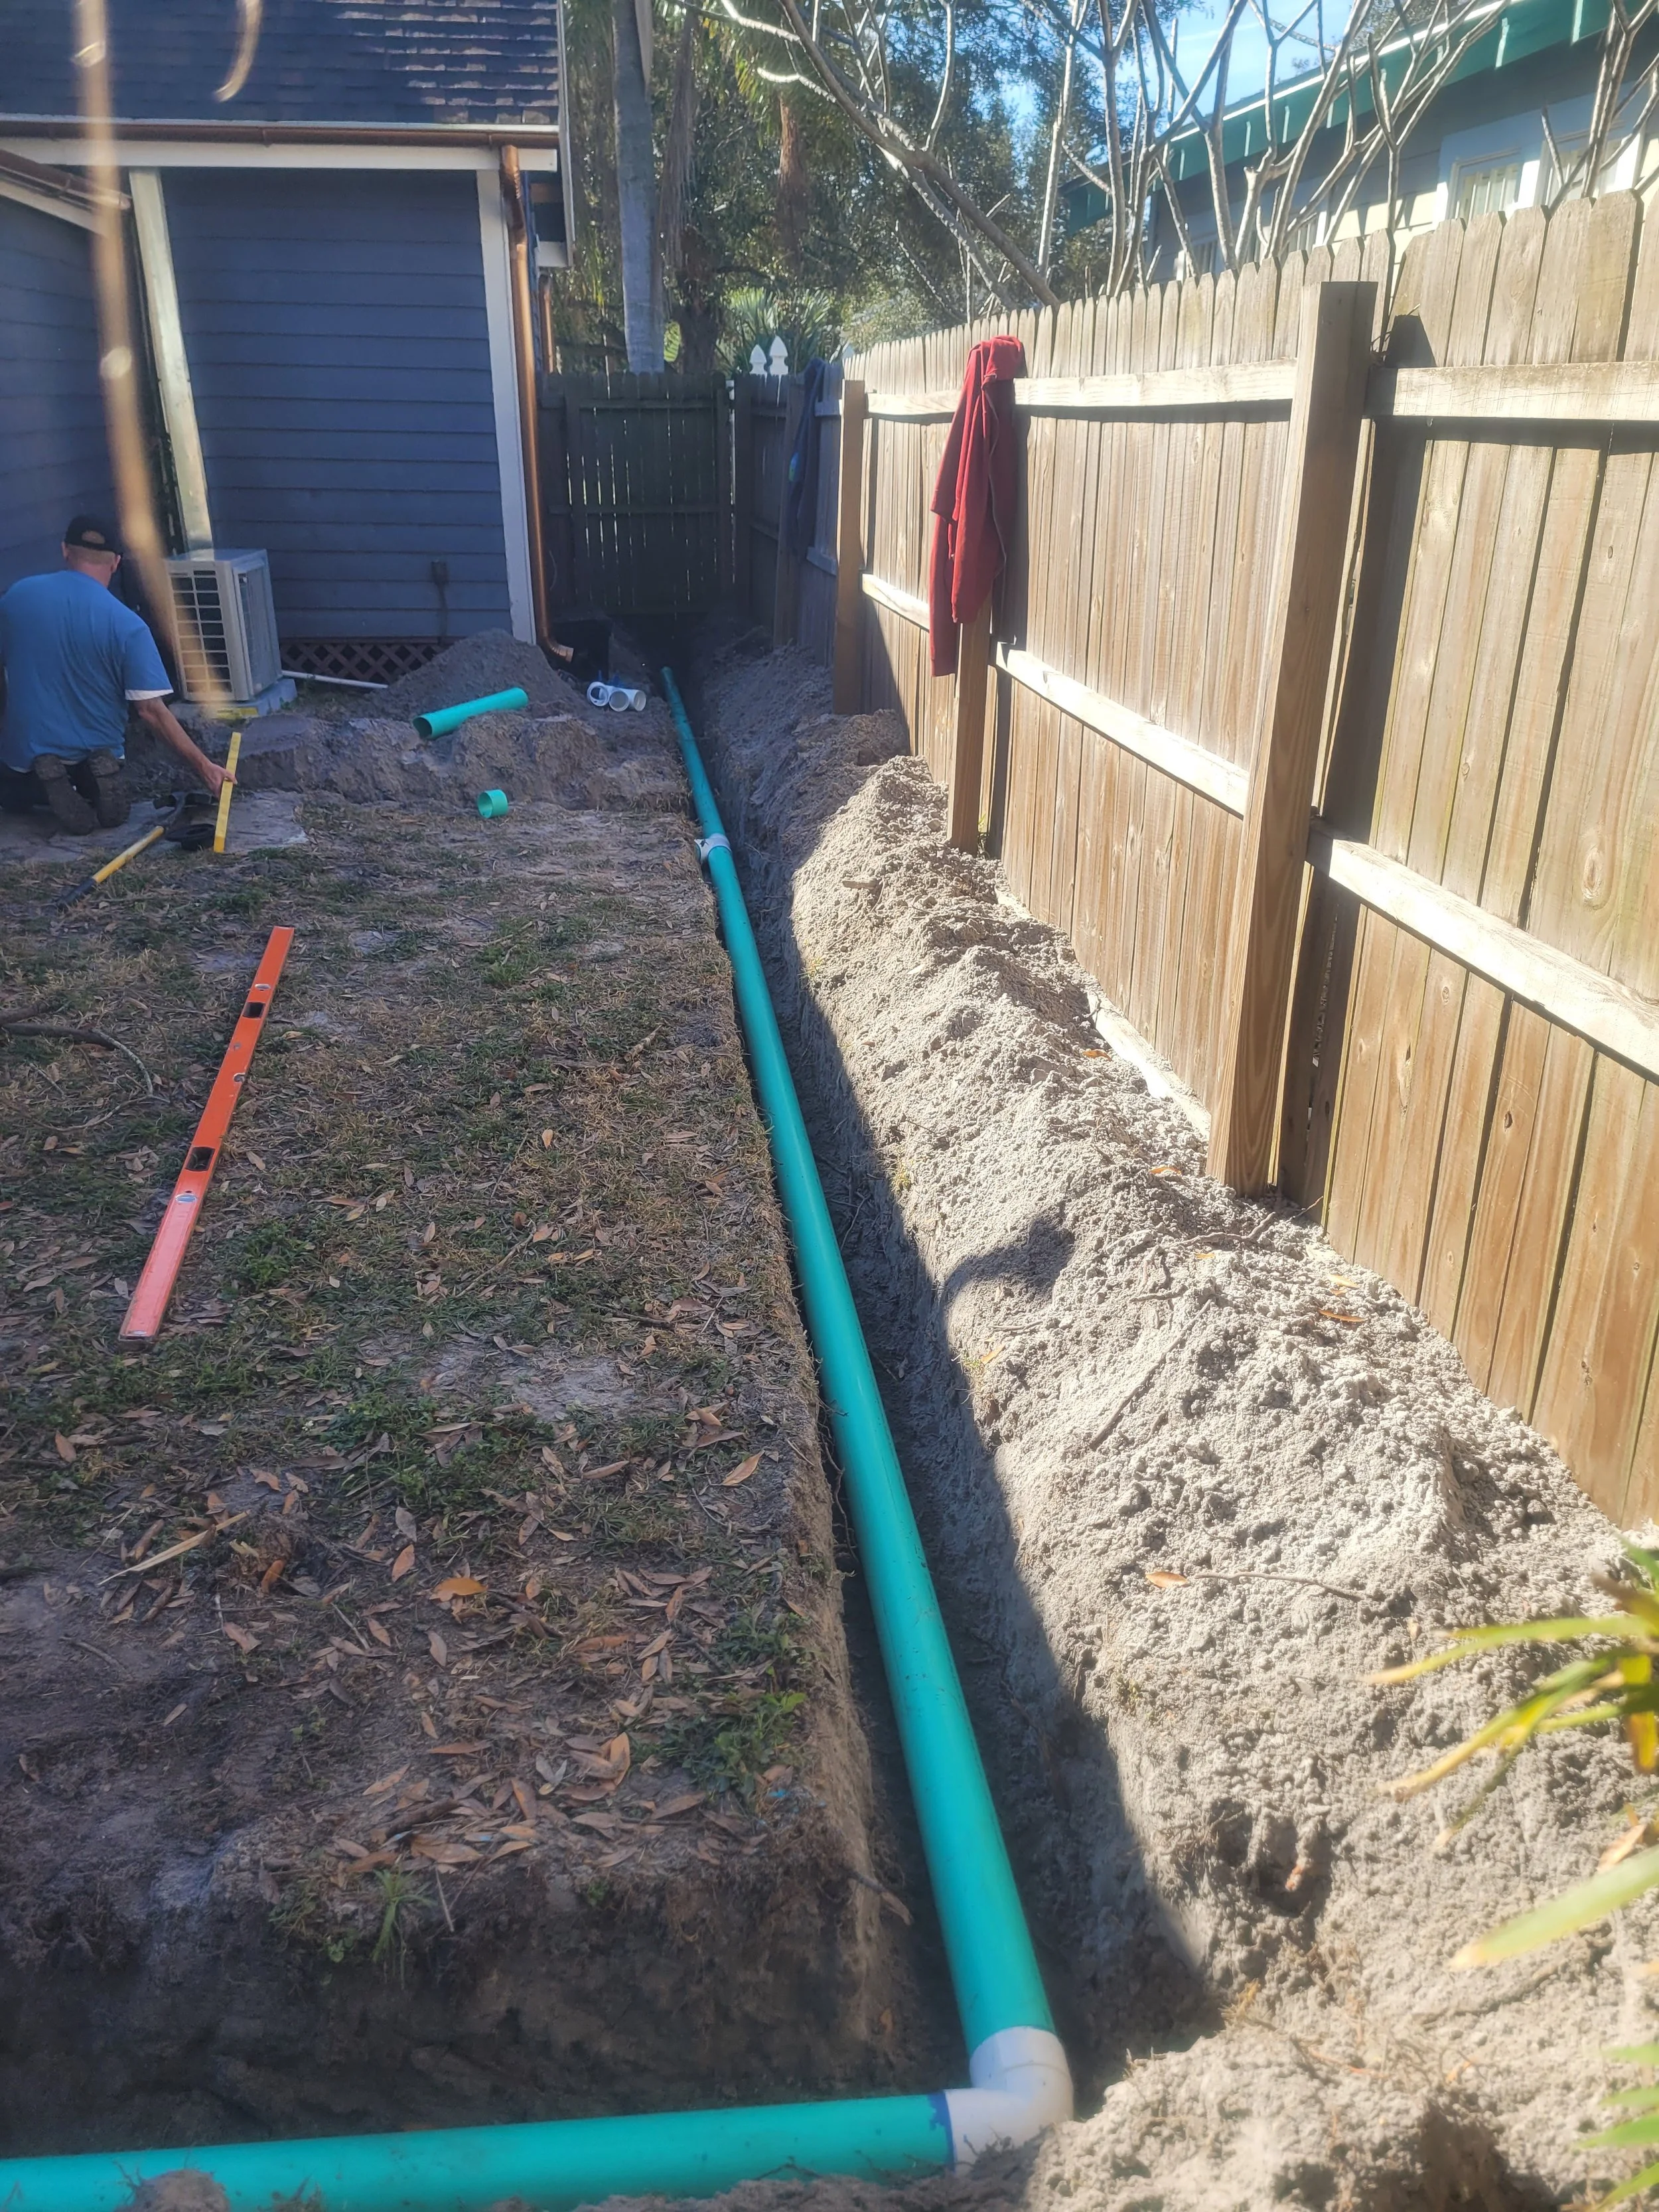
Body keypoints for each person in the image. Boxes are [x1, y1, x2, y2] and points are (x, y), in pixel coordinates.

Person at [0, 516, 228, 836]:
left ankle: (46, 783)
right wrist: (205, 767)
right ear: (116, 562)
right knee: (100, 766)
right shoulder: (127, 625)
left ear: (65, 550)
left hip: (25, 755)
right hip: (97, 747)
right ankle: (91, 782)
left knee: (11, 794)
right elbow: (151, 711)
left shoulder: (16, 598)